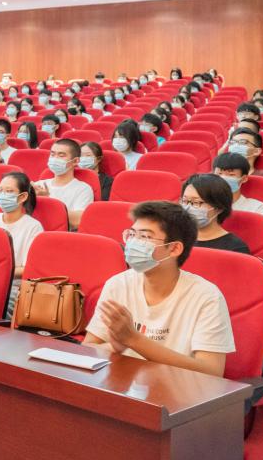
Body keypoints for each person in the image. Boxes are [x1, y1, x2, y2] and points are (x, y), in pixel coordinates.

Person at [84, 201, 234, 377]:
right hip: (123, 385)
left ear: (174, 248)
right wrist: (114, 347)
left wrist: (134, 339)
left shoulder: (206, 297)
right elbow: (88, 349)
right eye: (131, 234)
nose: (133, 243)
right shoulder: (118, 284)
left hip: (179, 390)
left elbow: (212, 372)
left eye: (145, 237)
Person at [0, 172, 43, 284]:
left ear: (23, 197)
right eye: (0, 191)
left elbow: (27, 268)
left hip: (14, 284)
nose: (2, 195)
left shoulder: (33, 227)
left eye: (9, 191)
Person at [180, 174, 249, 254]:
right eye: (184, 201)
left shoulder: (235, 248)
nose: (188, 207)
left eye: (196, 202)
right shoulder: (176, 238)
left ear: (219, 208)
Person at [34, 139, 93, 228]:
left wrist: (48, 202)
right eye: (52, 154)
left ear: (75, 161)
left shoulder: (83, 189)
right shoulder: (38, 185)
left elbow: (77, 221)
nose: (55, 159)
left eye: (61, 155)